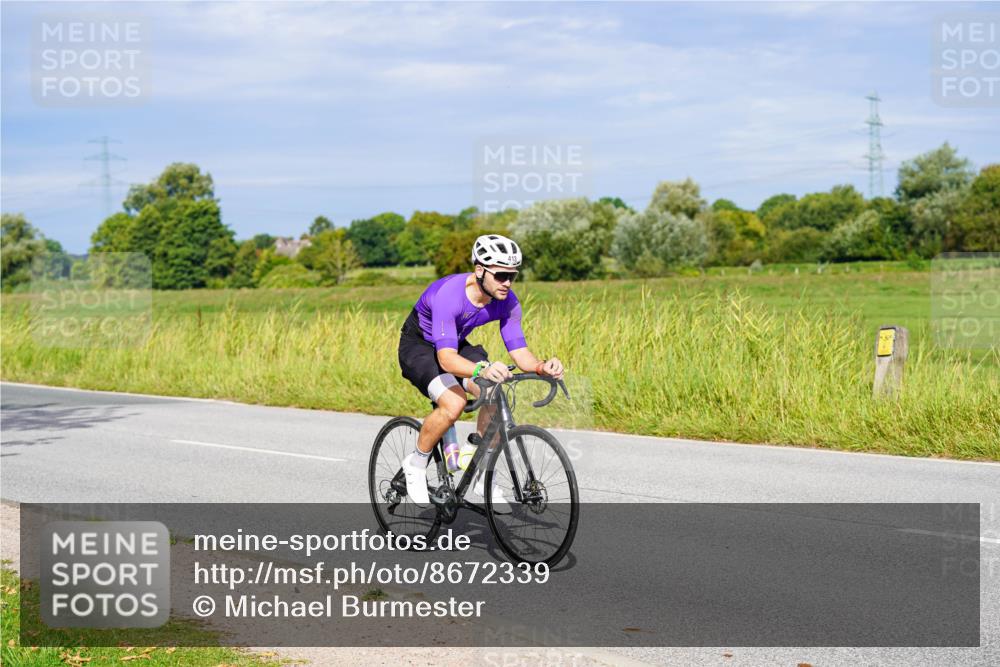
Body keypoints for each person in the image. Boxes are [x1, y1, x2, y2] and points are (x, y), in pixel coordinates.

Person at [397, 234, 564, 506]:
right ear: (479, 270)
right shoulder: (449, 295)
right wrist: (481, 369)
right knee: (454, 402)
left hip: (455, 343)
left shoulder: (507, 301)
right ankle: (415, 463)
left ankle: (481, 472)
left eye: (512, 275)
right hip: (419, 346)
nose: (507, 283)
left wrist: (542, 366)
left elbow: (519, 351)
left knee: (494, 392)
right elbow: (447, 359)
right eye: (500, 275)